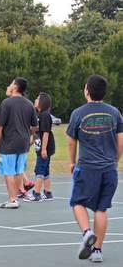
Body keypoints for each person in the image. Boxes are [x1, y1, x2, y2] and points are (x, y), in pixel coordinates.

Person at [67, 75, 123, 262]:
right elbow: (120, 139)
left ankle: (86, 232)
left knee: (77, 202)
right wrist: (115, 160)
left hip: (87, 167)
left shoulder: (78, 113)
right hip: (109, 168)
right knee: (101, 209)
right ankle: (97, 251)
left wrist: (72, 161)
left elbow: (71, 141)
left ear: (87, 91)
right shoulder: (114, 113)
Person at [0, 77, 37, 209]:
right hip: (23, 143)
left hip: (9, 143)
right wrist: (31, 137)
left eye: (10, 84)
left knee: (9, 171)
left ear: (15, 87)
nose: (8, 86)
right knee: (18, 171)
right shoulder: (29, 104)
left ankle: (12, 199)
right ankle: (15, 197)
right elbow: (34, 126)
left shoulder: (6, 103)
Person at [24, 92, 55, 202]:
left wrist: (43, 149)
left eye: (37, 99)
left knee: (39, 170)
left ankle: (36, 193)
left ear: (42, 102)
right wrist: (30, 143)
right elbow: (37, 133)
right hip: (40, 147)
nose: (35, 100)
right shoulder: (39, 115)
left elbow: (46, 133)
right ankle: (47, 192)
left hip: (45, 147)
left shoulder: (45, 115)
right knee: (45, 170)